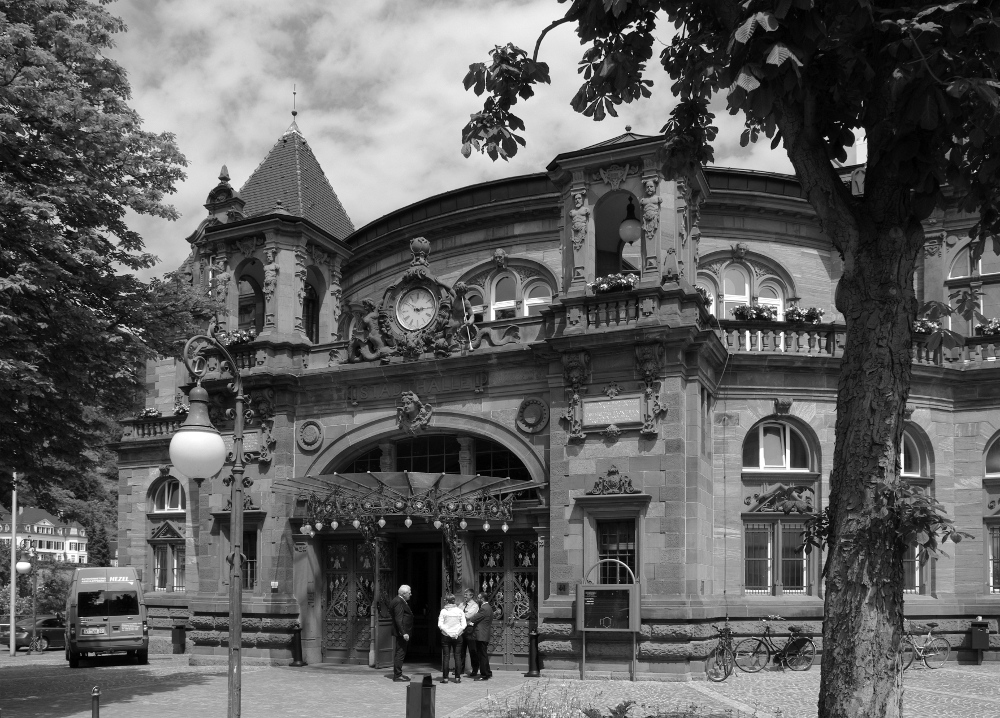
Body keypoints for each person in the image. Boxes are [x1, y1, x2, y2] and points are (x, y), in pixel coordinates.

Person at [437, 593, 467, 683]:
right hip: (457, 636)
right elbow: (464, 624)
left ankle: (445, 678)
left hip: (446, 636)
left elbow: (440, 624)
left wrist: (448, 633)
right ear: (454, 601)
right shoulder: (459, 611)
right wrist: (457, 633)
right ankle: (457, 678)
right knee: (457, 656)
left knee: (446, 657)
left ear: (446, 601)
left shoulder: (444, 611)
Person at [389, 584, 413, 682]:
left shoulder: (399, 600)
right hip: (402, 632)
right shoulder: (398, 601)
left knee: (400, 652)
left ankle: (398, 673)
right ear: (403, 594)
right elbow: (398, 619)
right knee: (400, 652)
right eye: (409, 593)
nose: (411, 594)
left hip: (402, 631)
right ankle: (398, 675)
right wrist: (403, 633)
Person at [468, 592, 494, 681]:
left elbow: (474, 618)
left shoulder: (483, 608)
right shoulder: (488, 607)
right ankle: (488, 672)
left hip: (481, 635)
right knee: (484, 654)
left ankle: (484, 674)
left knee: (482, 655)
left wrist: (471, 620)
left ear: (482, 599)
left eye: (479, 598)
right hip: (484, 634)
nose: (477, 599)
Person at [458, 587, 479, 677]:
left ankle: (474, 669)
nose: (465, 596)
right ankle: (460, 669)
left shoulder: (475, 605)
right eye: (464, 595)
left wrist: (460, 615)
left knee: (472, 650)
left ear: (472, 595)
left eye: (466, 595)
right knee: (461, 650)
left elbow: (469, 615)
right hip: (461, 629)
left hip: (470, 630)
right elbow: (458, 614)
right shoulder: (462, 604)